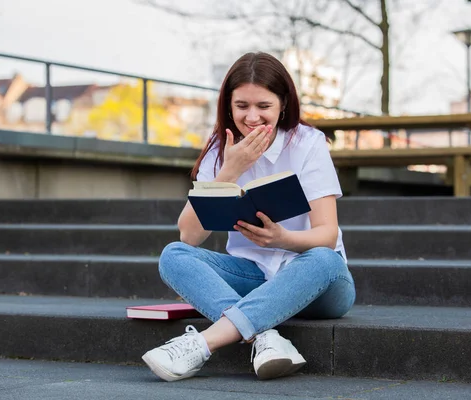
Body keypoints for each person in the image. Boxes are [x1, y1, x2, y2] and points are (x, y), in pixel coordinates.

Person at [142, 52, 356, 382]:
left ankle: (202, 344)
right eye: (242, 106)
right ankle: (264, 337)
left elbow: (327, 235)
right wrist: (231, 169)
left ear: (282, 104)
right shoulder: (220, 149)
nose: (252, 116)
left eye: (263, 107)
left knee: (325, 260)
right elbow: (188, 235)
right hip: (253, 276)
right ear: (228, 105)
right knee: (173, 256)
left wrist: (281, 239)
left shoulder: (307, 143)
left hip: (318, 283)